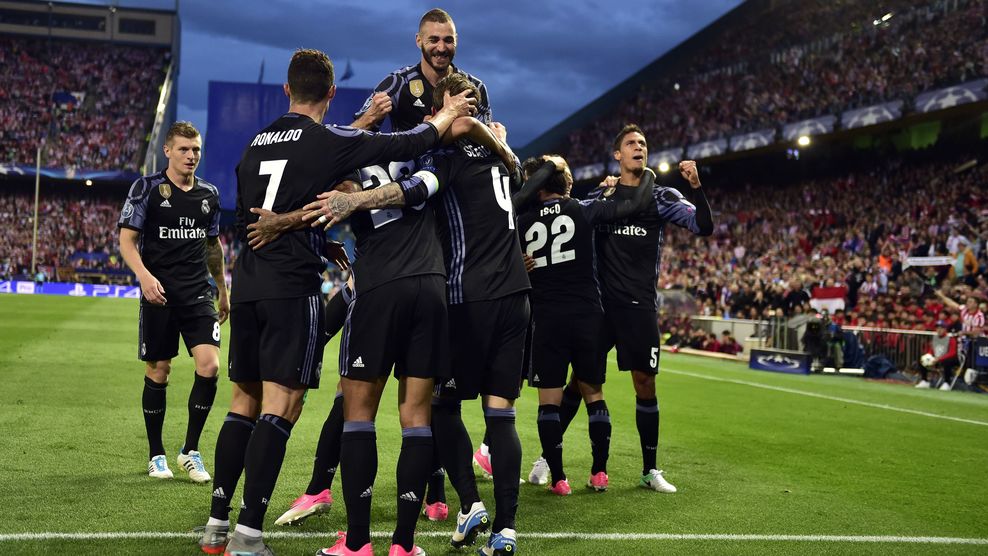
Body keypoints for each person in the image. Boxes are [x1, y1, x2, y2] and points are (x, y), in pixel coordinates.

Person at [197, 48, 476, 556]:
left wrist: (298, 229)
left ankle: (217, 524)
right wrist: (448, 113)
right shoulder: (328, 141)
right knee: (282, 406)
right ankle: (249, 534)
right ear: (329, 93)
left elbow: (250, 221)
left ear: (286, 90)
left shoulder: (254, 144)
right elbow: (414, 139)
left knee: (242, 404)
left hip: (252, 281)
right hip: (292, 288)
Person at [274, 8, 496, 528]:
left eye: (450, 40)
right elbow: (348, 145)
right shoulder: (396, 90)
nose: (442, 48)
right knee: (361, 386)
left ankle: (438, 496)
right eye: (434, 40)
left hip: (437, 256)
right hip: (387, 246)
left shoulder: (473, 94)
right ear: (419, 41)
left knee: (425, 392)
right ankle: (320, 486)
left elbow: (474, 159)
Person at [585, 124, 712, 494]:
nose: (638, 147)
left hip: (639, 306)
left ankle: (650, 469)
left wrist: (696, 187)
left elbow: (703, 226)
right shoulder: (602, 195)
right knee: (582, 381)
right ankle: (550, 460)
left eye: (642, 143)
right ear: (617, 155)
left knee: (645, 383)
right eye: (630, 143)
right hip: (600, 305)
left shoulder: (662, 196)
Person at [517, 155, 655, 494]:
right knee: (593, 394)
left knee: (548, 403)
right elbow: (633, 202)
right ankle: (598, 473)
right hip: (587, 316)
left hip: (546, 318)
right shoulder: (583, 210)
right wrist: (647, 174)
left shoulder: (519, 220)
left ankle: (560, 479)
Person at [117, 121, 227, 484]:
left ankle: (190, 451)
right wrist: (145, 277)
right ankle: (156, 454)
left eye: (196, 149)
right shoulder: (146, 188)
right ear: (168, 150)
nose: (191, 155)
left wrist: (223, 289)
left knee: (209, 366)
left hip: (197, 293)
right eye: (183, 149)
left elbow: (213, 246)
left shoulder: (209, 194)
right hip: (158, 293)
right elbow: (127, 241)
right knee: (158, 370)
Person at [917, 321, 959, 389]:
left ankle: (947, 383)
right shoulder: (935, 338)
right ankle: (924, 381)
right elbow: (931, 350)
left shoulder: (951, 339)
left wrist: (939, 359)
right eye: (937, 328)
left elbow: (952, 352)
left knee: (947, 362)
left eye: (941, 328)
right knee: (922, 359)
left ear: (945, 329)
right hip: (937, 358)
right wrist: (929, 356)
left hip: (949, 359)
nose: (939, 330)